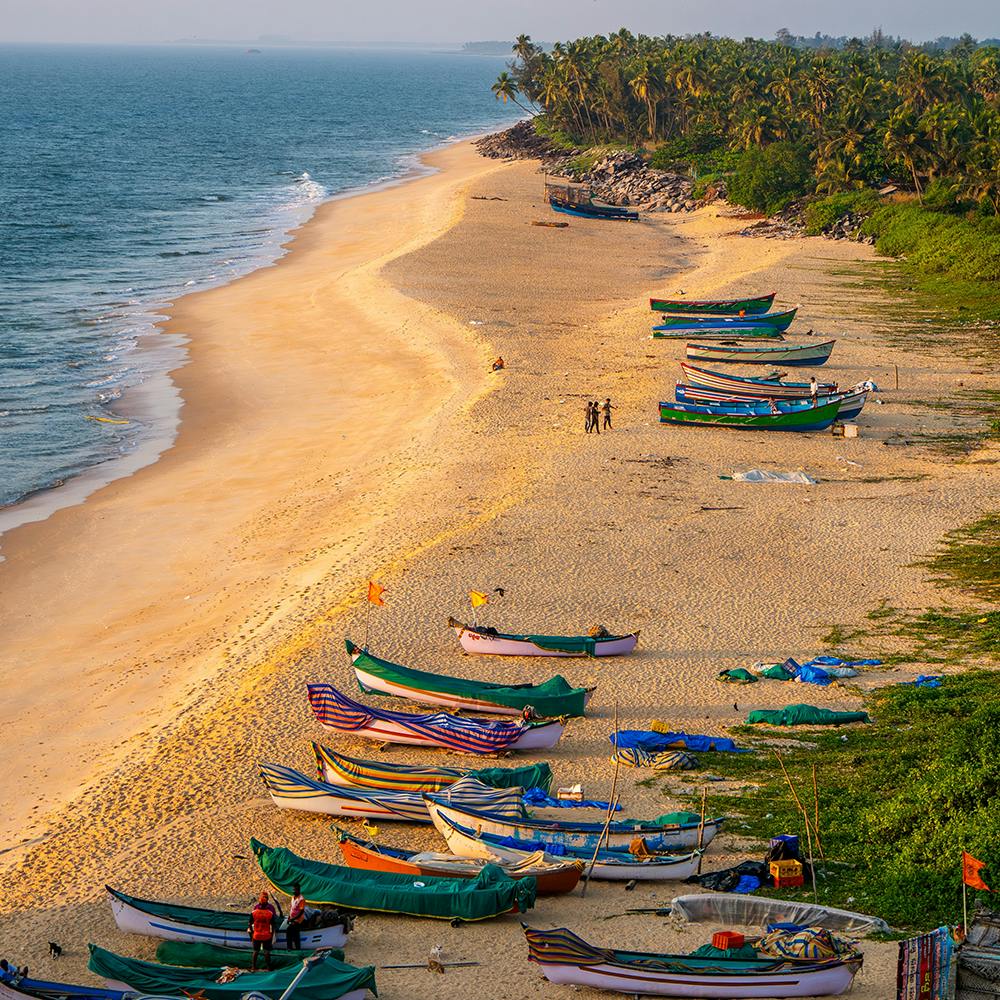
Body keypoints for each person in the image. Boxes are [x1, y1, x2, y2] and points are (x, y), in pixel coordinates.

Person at [248, 891, 277, 971]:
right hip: (266, 935)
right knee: (267, 952)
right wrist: (272, 934)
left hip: (256, 935)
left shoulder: (254, 912)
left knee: (255, 951)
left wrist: (252, 932)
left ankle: (253, 967)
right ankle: (269, 967)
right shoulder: (269, 913)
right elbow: (273, 925)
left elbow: (250, 923)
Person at [286, 883, 306, 950]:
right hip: (293, 919)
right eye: (293, 890)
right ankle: (293, 948)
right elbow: (292, 908)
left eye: (295, 890)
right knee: (294, 934)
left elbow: (301, 912)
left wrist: (292, 919)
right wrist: (289, 916)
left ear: (299, 890)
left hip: (298, 920)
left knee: (290, 932)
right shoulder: (293, 897)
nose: (294, 891)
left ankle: (291, 948)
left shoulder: (301, 899)